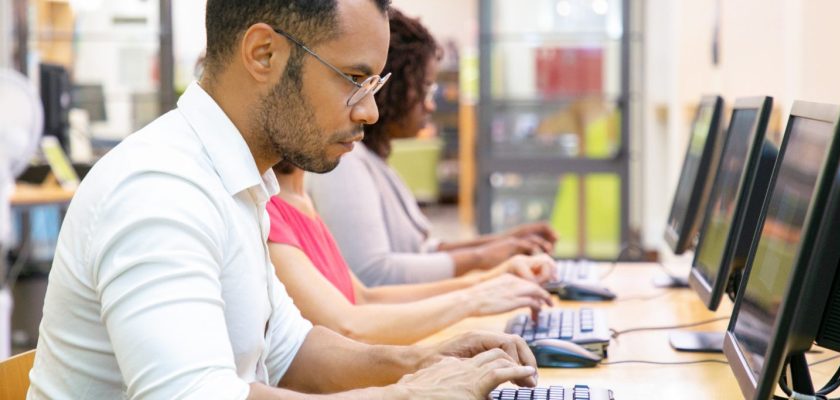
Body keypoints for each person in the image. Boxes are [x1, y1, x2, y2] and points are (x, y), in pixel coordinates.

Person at [27, 1, 540, 398]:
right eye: (354, 80)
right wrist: (408, 393)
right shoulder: (160, 188)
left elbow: (292, 349)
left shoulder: (236, 181)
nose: (370, 113)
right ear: (264, 54)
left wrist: (427, 362)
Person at [305, 8, 559, 286]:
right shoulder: (345, 163)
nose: (430, 105)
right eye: (425, 89)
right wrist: (483, 259)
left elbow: (422, 251)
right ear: (395, 87)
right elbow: (373, 273)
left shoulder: (374, 161)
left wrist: (507, 242)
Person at [268, 161, 556, 344]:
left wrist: (490, 280)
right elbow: (348, 326)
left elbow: (365, 297)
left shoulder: (301, 201)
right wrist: (473, 298)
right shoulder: (268, 210)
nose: (367, 113)